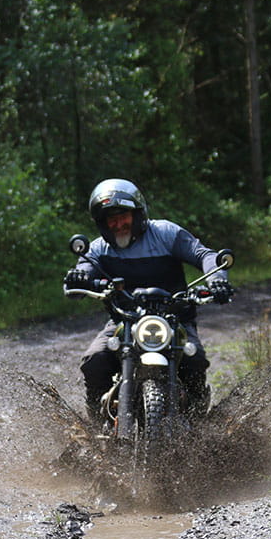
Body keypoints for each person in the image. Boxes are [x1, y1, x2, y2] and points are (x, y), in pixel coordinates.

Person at [64, 178, 233, 421]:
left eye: (124, 216)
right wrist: (78, 278)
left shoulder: (166, 233)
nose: (118, 224)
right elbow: (84, 270)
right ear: (102, 223)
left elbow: (204, 255)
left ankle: (199, 425)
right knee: (95, 360)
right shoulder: (98, 249)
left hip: (175, 319)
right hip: (124, 321)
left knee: (194, 360)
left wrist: (217, 279)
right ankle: (96, 424)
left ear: (138, 214)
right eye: (111, 219)